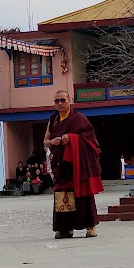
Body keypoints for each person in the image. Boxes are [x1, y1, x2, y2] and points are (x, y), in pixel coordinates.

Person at [44, 89, 104, 238]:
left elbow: (91, 141)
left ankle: (90, 226)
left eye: (62, 100)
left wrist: (72, 138)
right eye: (56, 101)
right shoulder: (53, 120)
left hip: (77, 164)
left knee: (83, 195)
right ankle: (65, 228)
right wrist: (52, 141)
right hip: (60, 164)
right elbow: (46, 141)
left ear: (69, 100)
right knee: (62, 194)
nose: (59, 103)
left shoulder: (79, 119)